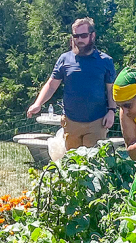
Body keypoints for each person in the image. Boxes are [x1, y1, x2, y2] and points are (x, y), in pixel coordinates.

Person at [27, 17, 117, 150]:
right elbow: (51, 85)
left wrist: (111, 112)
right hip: (71, 122)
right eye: (76, 36)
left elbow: (111, 90)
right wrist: (38, 103)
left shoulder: (105, 61)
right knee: (72, 165)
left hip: (97, 122)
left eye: (83, 36)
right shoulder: (64, 59)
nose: (79, 40)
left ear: (92, 36)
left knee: (94, 165)